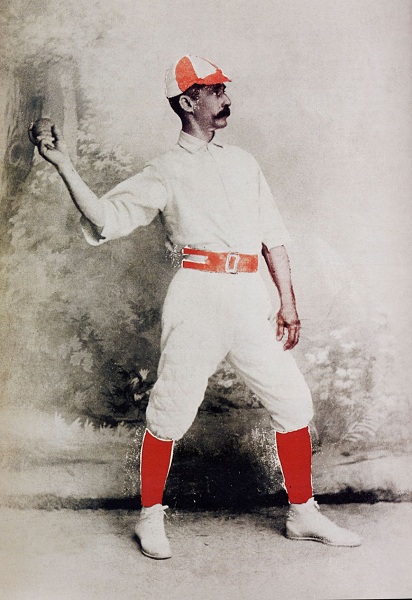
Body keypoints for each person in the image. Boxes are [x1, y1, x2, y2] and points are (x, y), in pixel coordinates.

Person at [31, 54, 361, 560]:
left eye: (224, 90)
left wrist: (288, 305)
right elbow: (105, 218)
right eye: (215, 91)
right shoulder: (165, 171)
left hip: (249, 294)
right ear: (188, 102)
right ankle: (149, 517)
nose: (226, 99)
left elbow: (273, 239)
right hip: (198, 296)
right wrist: (64, 165)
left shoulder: (244, 162)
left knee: (293, 401)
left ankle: (303, 513)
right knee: (170, 409)